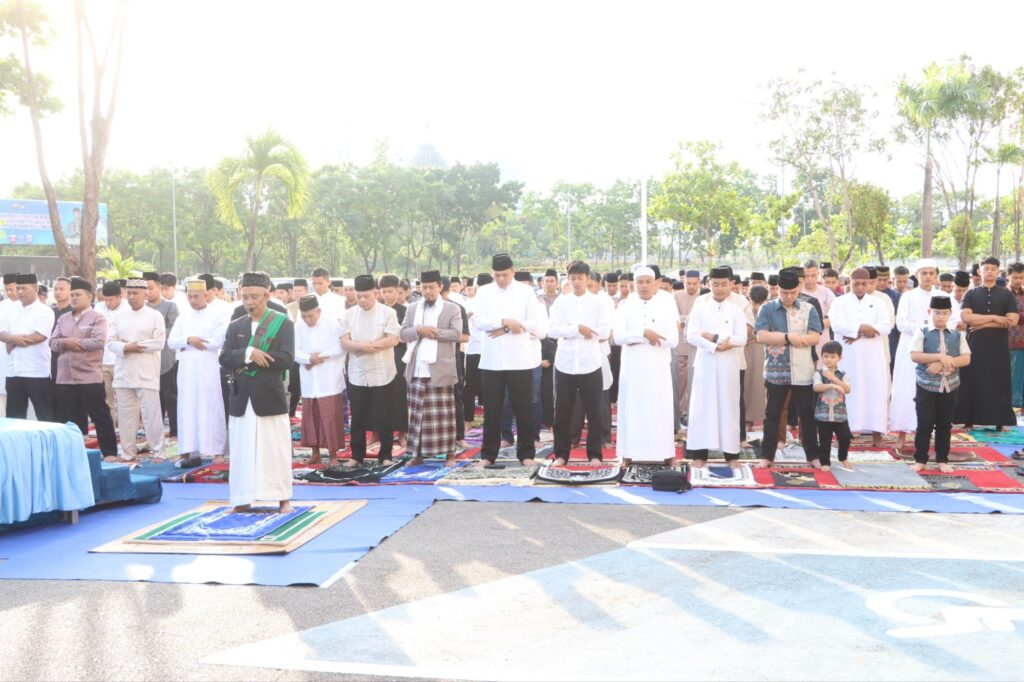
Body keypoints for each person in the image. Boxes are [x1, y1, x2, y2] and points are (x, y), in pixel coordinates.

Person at [220, 272, 294, 513]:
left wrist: (263, 357)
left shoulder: (282, 323)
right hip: (241, 395)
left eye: (254, 297)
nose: (249, 302)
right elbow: (224, 357)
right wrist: (249, 353)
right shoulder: (235, 326)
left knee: (275, 448)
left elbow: (287, 359)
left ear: (267, 296)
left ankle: (282, 498)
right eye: (245, 297)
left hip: (269, 395)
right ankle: (242, 498)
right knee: (241, 449)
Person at [473, 253, 547, 464]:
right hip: (492, 360)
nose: (501, 279)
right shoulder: (484, 292)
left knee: (523, 409)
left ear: (513, 271)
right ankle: (488, 455)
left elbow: (534, 322)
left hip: (520, 359)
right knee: (492, 411)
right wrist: (505, 321)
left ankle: (526, 454)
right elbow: (480, 322)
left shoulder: (525, 291)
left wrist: (509, 327)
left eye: (505, 275)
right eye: (497, 275)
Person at [754, 269, 823, 468]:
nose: (789, 296)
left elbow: (815, 337)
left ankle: (813, 455)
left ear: (799, 288)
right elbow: (761, 336)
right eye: (785, 292)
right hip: (775, 371)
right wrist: (787, 337)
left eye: (793, 292)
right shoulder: (767, 308)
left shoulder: (809, 308)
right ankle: (767, 456)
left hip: (803, 370)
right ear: (777, 289)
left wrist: (789, 340)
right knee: (772, 414)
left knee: (807, 414)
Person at [547, 261, 612, 466]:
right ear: (568, 279)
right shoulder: (561, 302)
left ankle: (595, 455)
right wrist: (576, 329)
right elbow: (552, 330)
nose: (576, 282)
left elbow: (604, 331)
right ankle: (561, 454)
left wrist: (578, 330)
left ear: (587, 279)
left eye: (580, 278)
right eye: (572, 278)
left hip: (590, 362)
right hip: (565, 363)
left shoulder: (598, 302)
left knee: (594, 412)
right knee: (562, 412)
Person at [614, 266, 679, 463]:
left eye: (648, 282)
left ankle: (665, 453)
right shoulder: (625, 306)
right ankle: (628, 453)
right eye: (639, 282)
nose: (644, 286)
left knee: (659, 409)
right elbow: (618, 337)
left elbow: (672, 340)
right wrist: (644, 334)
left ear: (656, 283)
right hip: (632, 368)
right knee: (632, 409)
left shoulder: (666, 304)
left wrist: (634, 338)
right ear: (634, 284)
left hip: (657, 367)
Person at [890, 259, 958, 447]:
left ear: (936, 275)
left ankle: (931, 435)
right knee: (906, 388)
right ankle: (902, 433)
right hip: (911, 348)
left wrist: (934, 330)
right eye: (924, 273)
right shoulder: (908, 296)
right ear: (916, 275)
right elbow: (901, 323)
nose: (928, 277)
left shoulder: (944, 296)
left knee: (934, 390)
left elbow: (954, 321)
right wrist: (926, 329)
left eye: (931, 273)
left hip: (939, 348)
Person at [399, 270, 464, 465]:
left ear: (440, 287)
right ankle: (417, 455)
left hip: (440, 369)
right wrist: (418, 329)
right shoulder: (412, 308)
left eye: (431, 287)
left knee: (444, 416)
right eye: (424, 287)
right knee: (416, 415)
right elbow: (403, 333)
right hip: (417, 368)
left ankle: (450, 455)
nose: (427, 291)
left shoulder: (452, 308)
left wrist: (432, 333)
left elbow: (456, 334)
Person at [685, 267, 747, 467]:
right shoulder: (700, 308)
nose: (719, 288)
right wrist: (714, 346)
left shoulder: (736, 310)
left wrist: (716, 339)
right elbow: (691, 335)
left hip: (729, 364)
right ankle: (699, 454)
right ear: (708, 284)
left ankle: (731, 455)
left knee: (729, 406)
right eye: (715, 284)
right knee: (702, 406)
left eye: (723, 284)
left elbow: (742, 337)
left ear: (731, 284)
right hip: (705, 362)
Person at [48, 277, 117, 458]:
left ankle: (110, 452)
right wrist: (68, 342)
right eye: (72, 295)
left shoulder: (98, 318)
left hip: (89, 376)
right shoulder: (63, 318)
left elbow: (97, 342)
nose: (73, 298)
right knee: (67, 418)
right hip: (65, 376)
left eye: (77, 295)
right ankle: (70, 455)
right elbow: (53, 342)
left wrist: (71, 342)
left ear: (89, 296)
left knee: (100, 415)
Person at [340, 274, 401, 466]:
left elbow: (393, 339)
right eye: (359, 296)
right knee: (358, 415)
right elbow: (344, 342)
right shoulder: (349, 314)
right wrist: (363, 346)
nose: (362, 300)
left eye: (366, 296)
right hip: (357, 373)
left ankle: (386, 455)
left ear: (375, 293)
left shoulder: (388, 312)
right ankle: (356, 456)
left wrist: (367, 347)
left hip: (382, 371)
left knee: (384, 415)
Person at [167, 278, 228, 467]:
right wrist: (189, 339)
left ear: (206, 295)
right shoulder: (183, 317)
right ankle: (186, 449)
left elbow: (218, 341)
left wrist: (189, 343)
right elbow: (171, 342)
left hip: (208, 368)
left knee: (211, 406)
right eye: (190, 297)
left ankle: (217, 450)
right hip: (187, 370)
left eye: (196, 296)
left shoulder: (217, 316)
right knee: (187, 407)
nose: (193, 300)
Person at [828, 268, 892, 446]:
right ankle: (843, 434)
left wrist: (858, 333)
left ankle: (877, 433)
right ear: (849, 282)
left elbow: (886, 326)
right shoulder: (839, 302)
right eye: (856, 283)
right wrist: (863, 328)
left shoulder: (878, 302)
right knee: (846, 391)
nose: (860, 287)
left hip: (873, 356)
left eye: (864, 283)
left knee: (875, 391)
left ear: (869, 283)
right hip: (848, 355)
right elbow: (837, 325)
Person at [954, 257, 1019, 429]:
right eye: (986, 268)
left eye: (993, 268)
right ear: (979, 271)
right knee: (971, 379)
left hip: (998, 346)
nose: (989, 271)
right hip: (975, 345)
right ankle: (968, 419)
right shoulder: (970, 293)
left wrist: (983, 323)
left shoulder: (1007, 294)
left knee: (998, 380)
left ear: (998, 271)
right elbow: (966, 317)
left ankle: (999, 421)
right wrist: (996, 318)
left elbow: (1012, 320)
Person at [107, 278, 166, 462]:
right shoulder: (118, 317)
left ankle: (158, 452)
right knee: (126, 416)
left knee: (151, 415)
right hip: (123, 373)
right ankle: (128, 453)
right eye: (129, 293)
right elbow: (110, 342)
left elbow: (158, 343)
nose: (132, 297)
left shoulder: (155, 316)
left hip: (146, 373)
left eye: (136, 293)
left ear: (145, 294)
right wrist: (125, 347)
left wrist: (133, 345)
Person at [910, 296, 971, 472]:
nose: (940, 316)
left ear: (950, 314)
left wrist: (943, 363)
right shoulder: (922, 331)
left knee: (945, 424)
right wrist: (939, 357)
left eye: (944, 313)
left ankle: (942, 459)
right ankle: (920, 459)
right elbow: (915, 355)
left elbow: (966, 359)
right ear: (929, 312)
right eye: (936, 313)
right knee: (925, 424)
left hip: (950, 385)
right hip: (926, 385)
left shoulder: (957, 335)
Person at [293, 294, 346, 466]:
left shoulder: (332, 324)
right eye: (304, 316)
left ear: (319, 311)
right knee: (310, 418)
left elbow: (340, 347)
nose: (307, 320)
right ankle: (315, 454)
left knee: (330, 418)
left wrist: (320, 357)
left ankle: (333, 456)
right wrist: (308, 359)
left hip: (328, 379)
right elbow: (294, 351)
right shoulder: (298, 326)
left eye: (310, 316)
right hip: (309, 380)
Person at [0, 273, 55, 420]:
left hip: (36, 372)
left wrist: (12, 341)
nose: (20, 292)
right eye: (18, 288)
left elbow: (39, 336)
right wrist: (14, 339)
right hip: (13, 371)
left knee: (43, 415)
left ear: (36, 289)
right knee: (14, 416)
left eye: (24, 288)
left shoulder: (45, 311)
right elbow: (1, 332)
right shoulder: (10, 310)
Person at [813, 341, 851, 471]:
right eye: (826, 356)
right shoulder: (819, 373)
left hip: (840, 414)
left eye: (832, 357)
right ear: (822, 356)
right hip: (823, 414)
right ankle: (825, 463)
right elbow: (817, 387)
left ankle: (843, 457)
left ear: (839, 358)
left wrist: (833, 378)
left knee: (845, 437)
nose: (829, 359)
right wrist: (832, 385)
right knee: (825, 440)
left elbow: (847, 389)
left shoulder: (843, 374)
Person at [462, 272, 491, 432]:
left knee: (490, 386)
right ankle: (467, 420)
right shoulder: (470, 302)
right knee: (470, 386)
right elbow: (462, 321)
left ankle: (490, 419)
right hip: (473, 349)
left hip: (491, 349)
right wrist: (469, 314)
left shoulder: (495, 302)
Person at [675, 270, 700, 427]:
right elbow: (675, 319)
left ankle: (694, 412)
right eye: (688, 283)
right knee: (681, 381)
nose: (691, 286)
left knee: (697, 380)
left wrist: (686, 320)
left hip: (698, 346)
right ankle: (680, 411)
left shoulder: (704, 297)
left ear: (699, 283)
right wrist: (692, 319)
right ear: (684, 282)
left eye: (694, 283)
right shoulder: (677, 296)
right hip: (681, 346)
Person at [743, 285, 768, 434]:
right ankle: (746, 420)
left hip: (762, 350)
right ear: (749, 298)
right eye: (754, 303)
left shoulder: (769, 310)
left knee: (759, 385)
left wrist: (757, 337)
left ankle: (758, 419)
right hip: (744, 350)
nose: (757, 307)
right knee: (746, 384)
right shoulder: (743, 309)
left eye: (760, 303)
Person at [802, 260, 834, 362]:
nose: (809, 279)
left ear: (818, 274)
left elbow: (833, 319)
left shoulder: (827, 293)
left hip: (822, 341)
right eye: (806, 276)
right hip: (801, 340)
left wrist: (812, 326)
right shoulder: (796, 292)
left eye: (813, 275)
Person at [1009, 263, 1024, 409]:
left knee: (1020, 374)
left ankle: (1019, 406)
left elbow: (1008, 316)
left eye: (1021, 277)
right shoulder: (1001, 294)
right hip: (1003, 340)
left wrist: (1013, 316)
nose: (1018, 280)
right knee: (1006, 374)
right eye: (1015, 277)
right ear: (1008, 276)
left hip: (1022, 341)